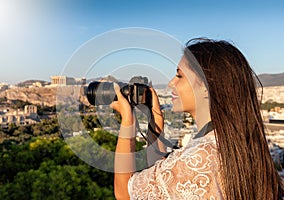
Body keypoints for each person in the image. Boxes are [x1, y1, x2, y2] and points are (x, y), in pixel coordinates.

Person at [110, 39, 284, 199]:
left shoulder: (201, 156)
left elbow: (125, 193)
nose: (171, 83)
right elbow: (165, 185)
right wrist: (154, 119)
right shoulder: (235, 146)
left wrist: (128, 123)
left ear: (206, 86)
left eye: (179, 76)